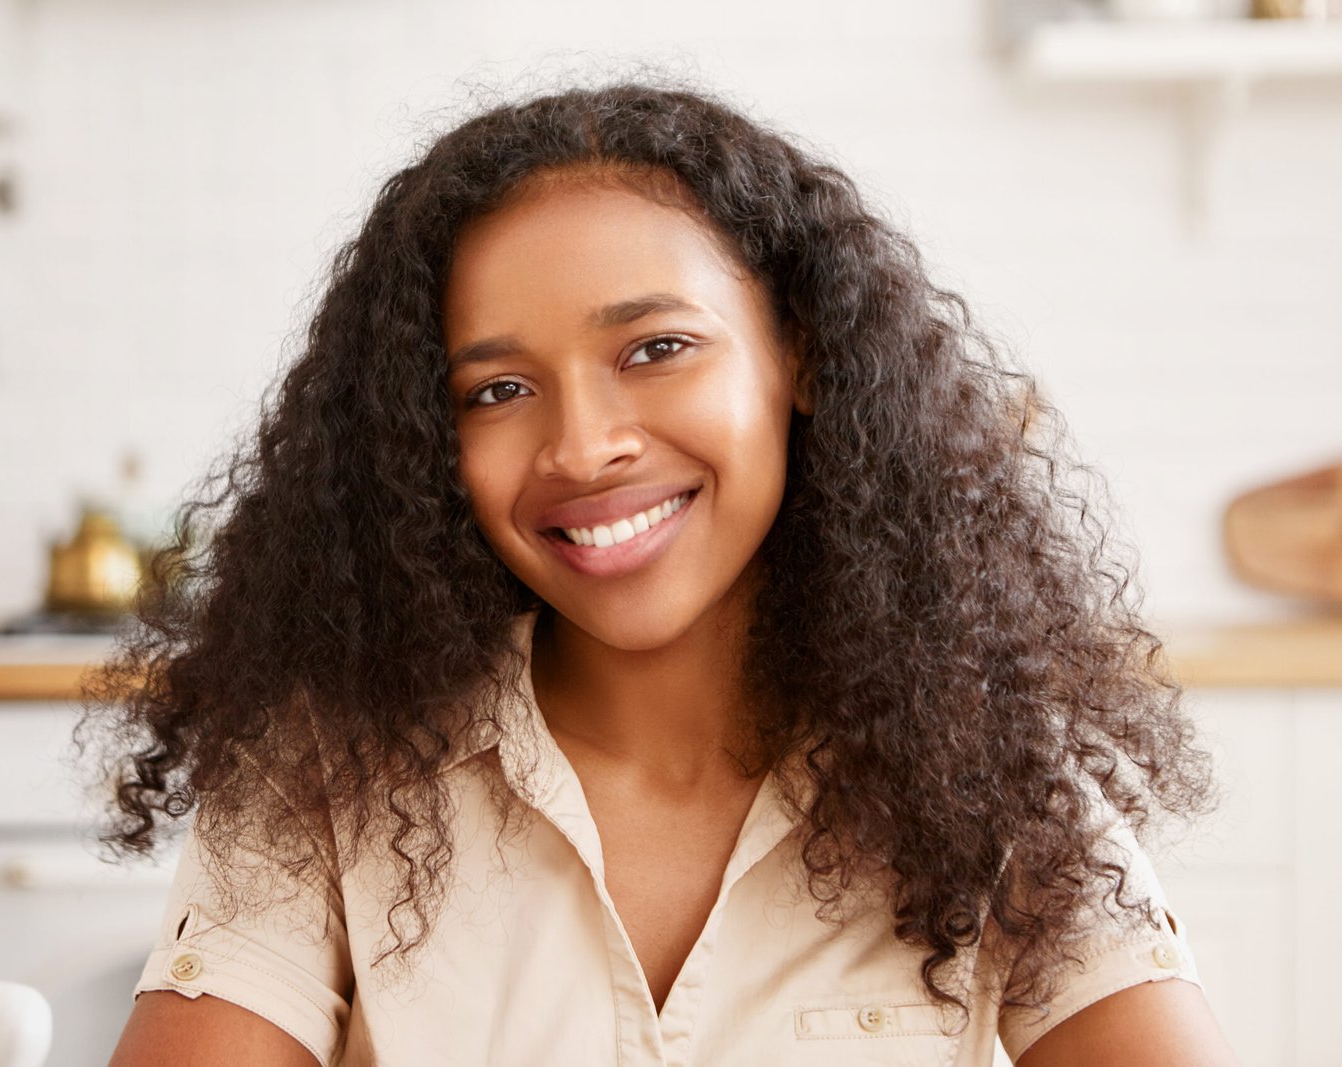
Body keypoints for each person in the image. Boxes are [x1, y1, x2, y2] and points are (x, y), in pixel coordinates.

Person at [85, 79, 1240, 1066]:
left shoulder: (982, 764)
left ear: (801, 356)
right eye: (496, 389)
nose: (582, 447)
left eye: (656, 348)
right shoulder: (321, 767)